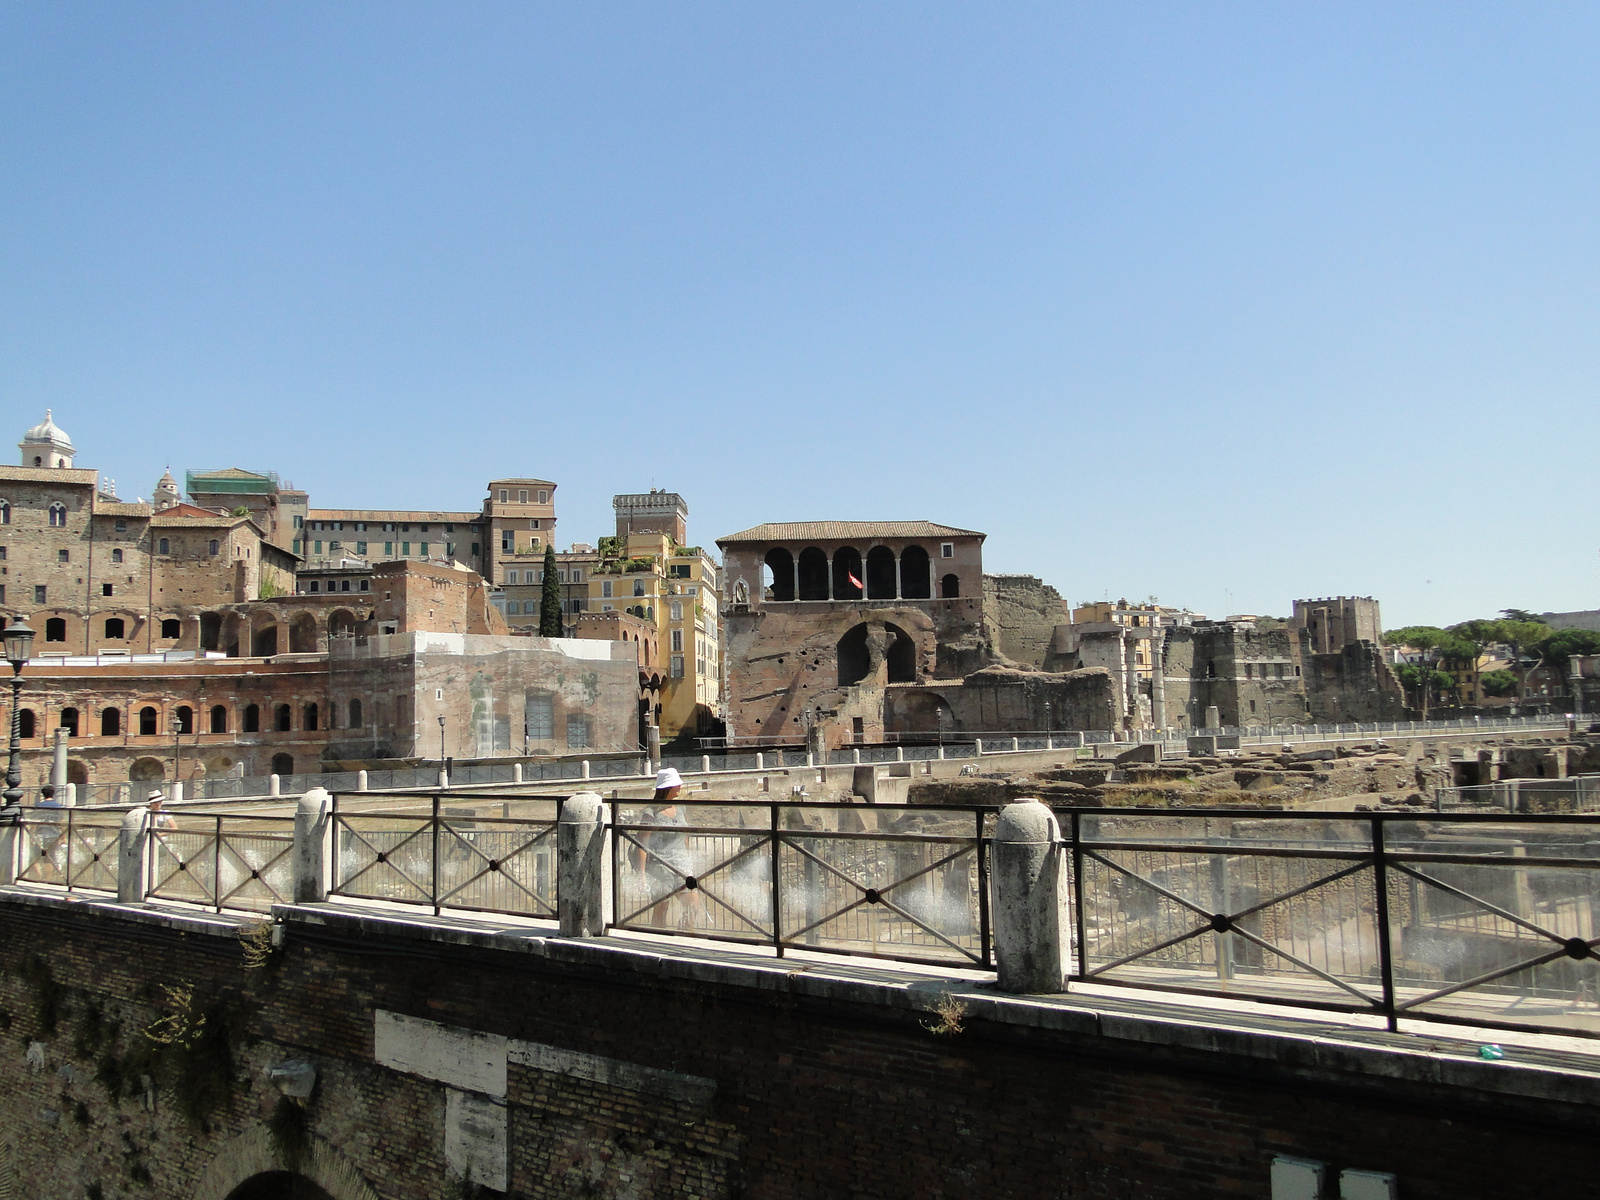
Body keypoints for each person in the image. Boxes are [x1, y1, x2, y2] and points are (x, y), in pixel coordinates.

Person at [635, 768, 700, 928]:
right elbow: (642, 843)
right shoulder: (650, 812)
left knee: (693, 906)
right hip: (659, 867)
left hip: (681, 866)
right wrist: (642, 875)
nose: (680, 787)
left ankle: (682, 936)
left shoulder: (681, 808)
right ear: (666, 788)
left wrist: (690, 861)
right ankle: (657, 938)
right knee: (661, 908)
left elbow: (685, 837)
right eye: (676, 784)